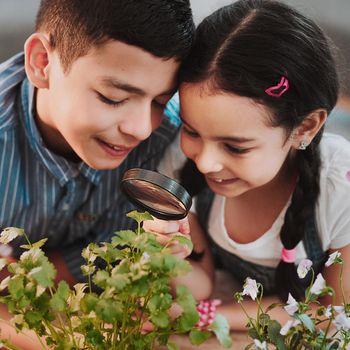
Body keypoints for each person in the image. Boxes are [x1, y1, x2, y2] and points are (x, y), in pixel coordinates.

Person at [145, 0, 350, 331]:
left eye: (236, 147)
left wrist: (209, 317)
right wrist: (170, 254)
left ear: (305, 127)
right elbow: (200, 286)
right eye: (191, 131)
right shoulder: (182, 161)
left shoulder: (339, 188)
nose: (207, 163)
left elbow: (337, 312)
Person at [0, 0, 194, 285]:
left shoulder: (168, 134)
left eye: (160, 102)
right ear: (42, 62)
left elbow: (109, 253)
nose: (141, 129)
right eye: (113, 98)